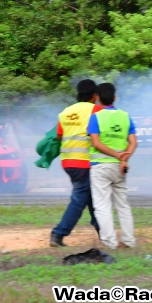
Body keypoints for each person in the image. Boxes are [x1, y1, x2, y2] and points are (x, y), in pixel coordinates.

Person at [50, 79, 102, 247]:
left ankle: (104, 232)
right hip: (84, 162)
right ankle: (58, 233)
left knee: (90, 197)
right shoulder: (96, 110)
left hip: (68, 162)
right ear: (95, 95)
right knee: (80, 199)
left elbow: (59, 136)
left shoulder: (66, 112)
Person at [88, 83, 137, 249]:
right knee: (122, 204)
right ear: (115, 98)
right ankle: (129, 241)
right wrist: (123, 158)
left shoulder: (96, 117)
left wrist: (116, 155)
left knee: (102, 205)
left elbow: (96, 142)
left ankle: (110, 243)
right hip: (120, 168)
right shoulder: (125, 116)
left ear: (98, 99)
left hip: (100, 167)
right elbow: (133, 142)